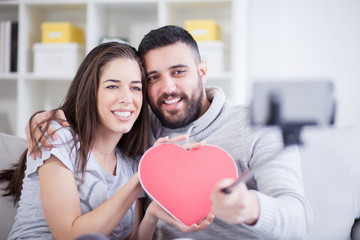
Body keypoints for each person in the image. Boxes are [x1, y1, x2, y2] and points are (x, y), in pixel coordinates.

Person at [24, 25, 313, 239]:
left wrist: (251, 208)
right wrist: (42, 118)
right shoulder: (139, 129)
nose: (167, 88)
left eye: (178, 72)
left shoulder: (255, 124)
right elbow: (98, 113)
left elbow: (299, 219)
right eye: (153, 78)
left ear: (202, 71)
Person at [0, 42, 211, 240]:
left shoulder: (131, 162)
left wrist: (152, 214)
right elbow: (69, 235)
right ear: (90, 91)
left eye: (136, 88)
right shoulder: (57, 135)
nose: (127, 98)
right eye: (112, 86)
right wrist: (141, 178)